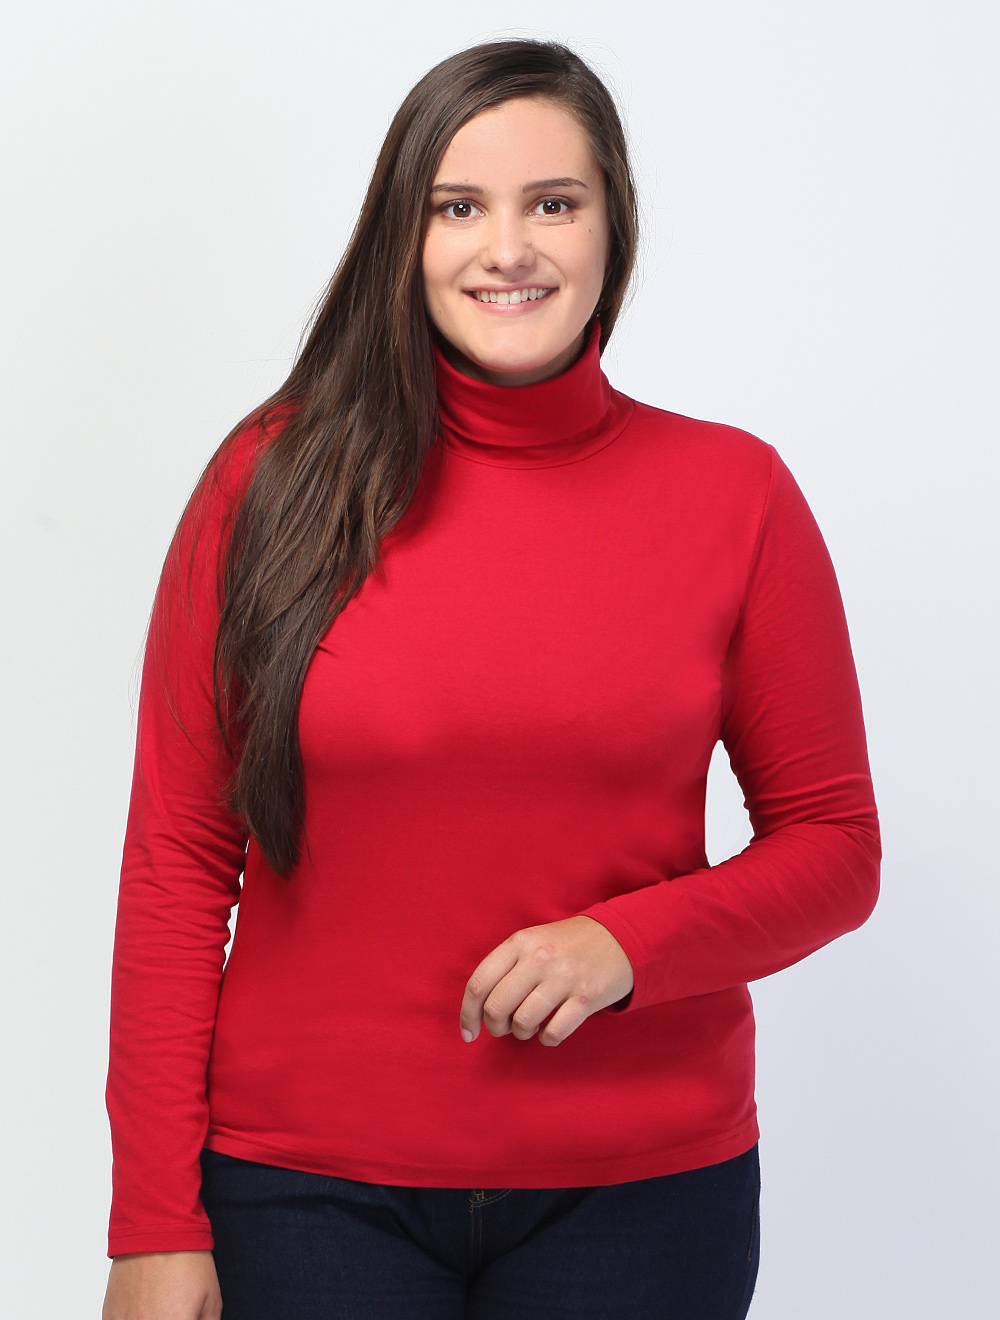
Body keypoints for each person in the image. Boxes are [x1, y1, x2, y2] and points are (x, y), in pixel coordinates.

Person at [101, 37, 880, 1320]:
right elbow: (178, 867)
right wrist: (151, 1223)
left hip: (643, 1193)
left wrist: (626, 945)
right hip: (303, 1190)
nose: (505, 250)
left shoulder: (734, 494)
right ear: (402, 238)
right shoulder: (268, 483)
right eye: (457, 208)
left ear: (612, 227)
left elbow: (835, 847)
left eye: (552, 205)